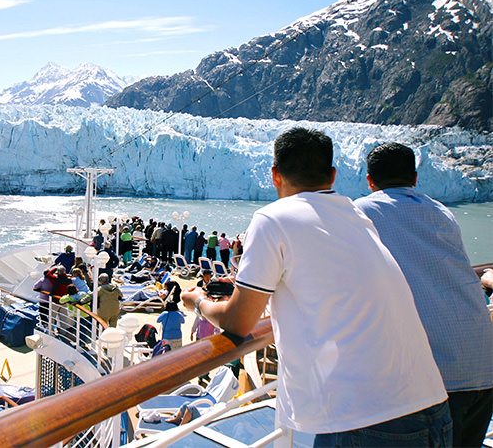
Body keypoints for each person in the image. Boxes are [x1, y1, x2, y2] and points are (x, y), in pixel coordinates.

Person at [181, 127, 450, 446]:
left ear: (274, 174)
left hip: (364, 420)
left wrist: (198, 301)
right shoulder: (355, 214)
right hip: (431, 406)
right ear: (333, 175)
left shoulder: (272, 218)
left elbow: (239, 322)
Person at [354, 142, 493, 448]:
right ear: (415, 178)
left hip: (436, 375)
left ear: (369, 180)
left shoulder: (362, 212)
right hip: (482, 363)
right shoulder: (442, 212)